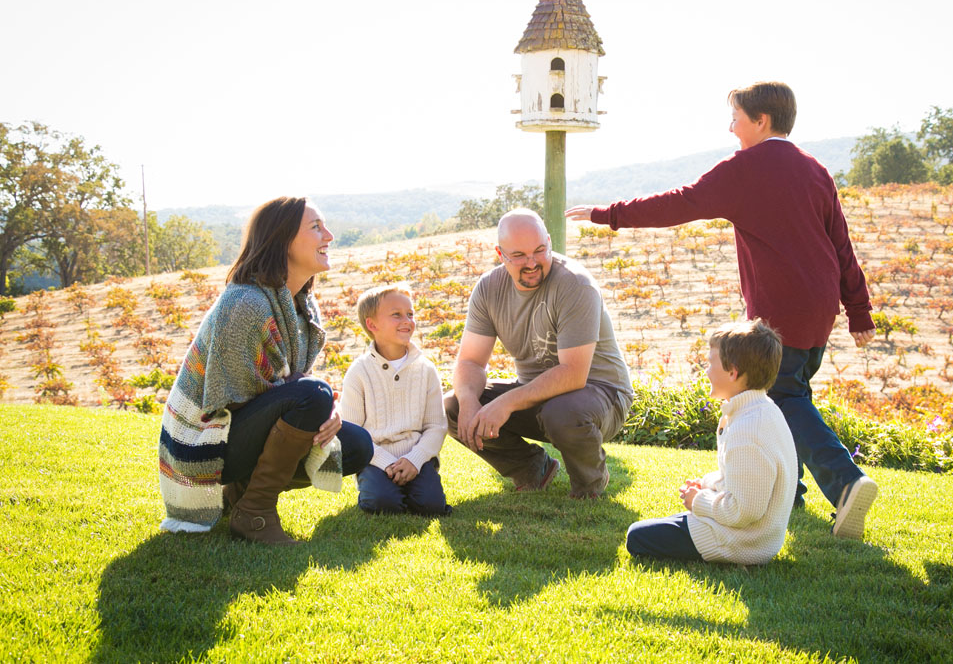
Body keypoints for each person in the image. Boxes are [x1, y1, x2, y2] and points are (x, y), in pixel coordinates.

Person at [566, 81, 879, 539]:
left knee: (784, 399)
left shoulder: (745, 169)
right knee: (786, 397)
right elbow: (841, 244)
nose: (731, 128)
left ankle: (847, 484)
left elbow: (680, 203)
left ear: (761, 120)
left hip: (779, 311)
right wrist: (858, 309)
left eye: (735, 118)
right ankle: (786, 493)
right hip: (819, 307)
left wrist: (606, 214)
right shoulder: (815, 170)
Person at [158, 196, 374, 545]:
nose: (329, 236)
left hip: (244, 433)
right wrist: (314, 397)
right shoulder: (246, 304)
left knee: (357, 446)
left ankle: (241, 492)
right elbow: (228, 402)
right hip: (201, 443)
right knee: (314, 394)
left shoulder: (302, 306)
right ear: (282, 240)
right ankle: (255, 513)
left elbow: (291, 387)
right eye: (316, 227)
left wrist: (324, 408)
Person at [445, 208, 633, 499]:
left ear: (549, 242)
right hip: (536, 397)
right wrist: (469, 402)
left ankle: (589, 486)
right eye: (519, 255)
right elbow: (470, 360)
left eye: (539, 250)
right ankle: (532, 469)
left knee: (562, 412)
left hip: (600, 394)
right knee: (453, 407)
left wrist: (506, 403)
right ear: (500, 253)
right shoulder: (488, 289)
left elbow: (573, 374)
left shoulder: (576, 284)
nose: (531, 263)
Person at [626, 320, 796, 564]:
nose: (705, 371)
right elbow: (741, 478)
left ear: (732, 372)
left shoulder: (749, 430)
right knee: (655, 528)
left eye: (710, 363)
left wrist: (698, 501)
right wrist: (707, 484)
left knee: (637, 536)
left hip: (742, 542)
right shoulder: (759, 410)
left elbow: (741, 511)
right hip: (747, 534)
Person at [339, 283, 450, 516]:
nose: (407, 320)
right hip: (375, 458)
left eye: (410, 314)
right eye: (396, 315)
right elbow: (352, 432)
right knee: (382, 503)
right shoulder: (359, 372)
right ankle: (376, 486)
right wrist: (385, 463)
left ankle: (413, 486)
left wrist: (415, 459)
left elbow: (436, 427)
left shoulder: (426, 369)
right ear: (372, 324)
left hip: (416, 456)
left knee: (431, 506)